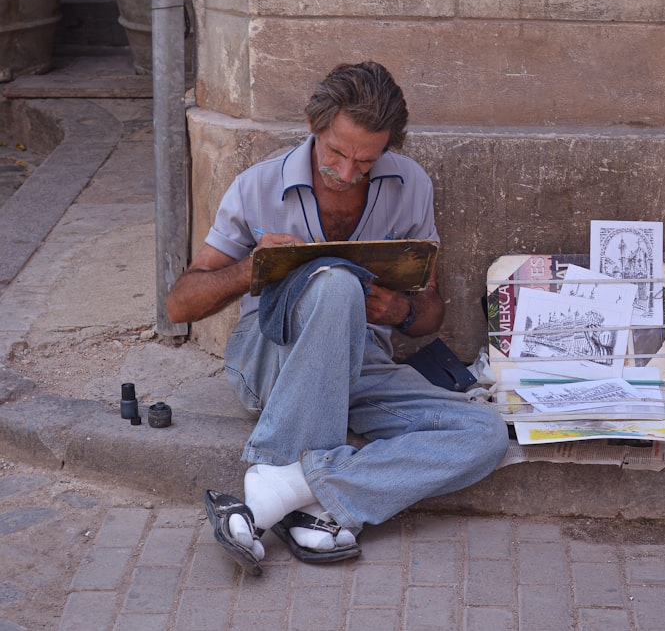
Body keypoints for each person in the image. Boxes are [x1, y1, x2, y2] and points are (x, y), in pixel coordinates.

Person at [166, 61, 509, 575]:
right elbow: (179, 305)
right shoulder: (257, 187)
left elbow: (430, 312)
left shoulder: (410, 184)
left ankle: (281, 492)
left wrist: (401, 309)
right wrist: (249, 268)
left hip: (362, 366)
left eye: (365, 162)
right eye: (336, 153)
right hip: (273, 360)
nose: (347, 173)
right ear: (314, 126)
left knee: (486, 434)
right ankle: (310, 505)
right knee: (336, 283)